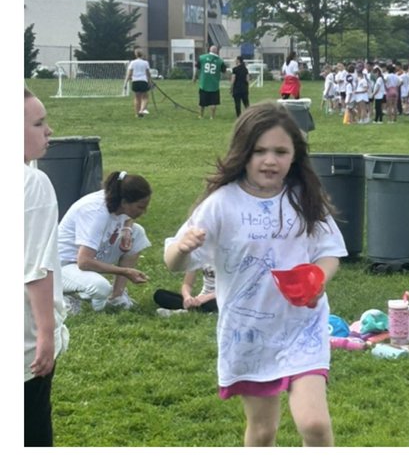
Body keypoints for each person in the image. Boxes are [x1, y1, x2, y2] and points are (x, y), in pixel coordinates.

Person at [164, 102, 345, 446]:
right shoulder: (222, 203)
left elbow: (330, 252)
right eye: (260, 150)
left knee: (315, 425)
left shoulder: (304, 198)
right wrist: (182, 248)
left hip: (302, 329)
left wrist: (317, 278)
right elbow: (174, 263)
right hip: (248, 333)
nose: (270, 160)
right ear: (243, 153)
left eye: (281, 151)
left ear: (295, 155)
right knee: (262, 432)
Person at [25, 89, 68, 446]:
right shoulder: (33, 183)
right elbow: (35, 267)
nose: (49, 130)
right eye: (38, 123)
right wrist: (45, 335)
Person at [58, 170, 152, 313]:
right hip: (62, 266)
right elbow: (84, 262)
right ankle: (66, 297)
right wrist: (126, 271)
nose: (144, 211)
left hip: (89, 255)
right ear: (124, 202)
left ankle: (117, 297)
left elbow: (128, 218)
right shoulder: (96, 213)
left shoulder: (115, 199)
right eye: (140, 207)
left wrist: (127, 229)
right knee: (101, 287)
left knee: (137, 233)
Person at [154, 265, 219, 317]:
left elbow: (229, 291)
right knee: (160, 295)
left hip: (220, 297)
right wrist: (187, 297)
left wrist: (207, 297)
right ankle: (200, 310)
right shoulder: (200, 254)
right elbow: (187, 284)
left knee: (220, 303)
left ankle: (184, 312)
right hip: (201, 300)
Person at [197, 44, 225, 118]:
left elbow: (198, 67)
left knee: (202, 102)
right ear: (216, 51)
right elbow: (224, 70)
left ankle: (201, 115)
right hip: (214, 84)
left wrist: (194, 77)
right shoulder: (220, 61)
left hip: (204, 83)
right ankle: (212, 116)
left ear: (209, 50)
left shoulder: (202, 58)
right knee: (213, 102)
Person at [125, 47, 153, 118]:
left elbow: (129, 74)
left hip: (135, 81)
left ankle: (137, 113)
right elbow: (148, 73)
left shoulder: (132, 63)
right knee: (145, 97)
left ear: (136, 54)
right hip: (143, 81)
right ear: (142, 54)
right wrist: (150, 81)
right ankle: (142, 110)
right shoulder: (145, 63)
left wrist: (125, 83)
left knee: (137, 98)